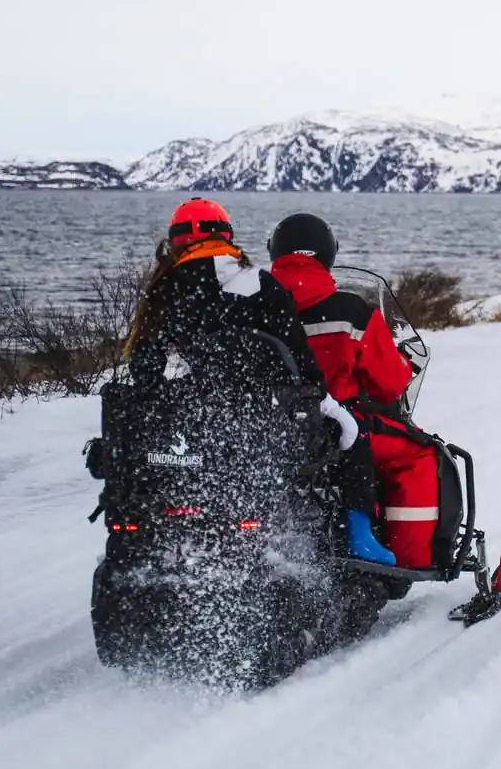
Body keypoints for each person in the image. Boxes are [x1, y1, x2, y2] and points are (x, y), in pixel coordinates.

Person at [123, 198, 389, 565]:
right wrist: (321, 400)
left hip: (197, 420)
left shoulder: (164, 292)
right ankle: (359, 538)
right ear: (227, 236)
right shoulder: (257, 282)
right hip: (265, 417)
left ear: (175, 242)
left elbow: (145, 370)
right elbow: (297, 356)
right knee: (353, 436)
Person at [267, 213, 443, 571]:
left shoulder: (256, 309)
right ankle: (408, 562)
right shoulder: (350, 311)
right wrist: (405, 366)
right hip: (336, 423)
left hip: (270, 427)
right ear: (328, 254)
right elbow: (389, 383)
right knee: (420, 455)